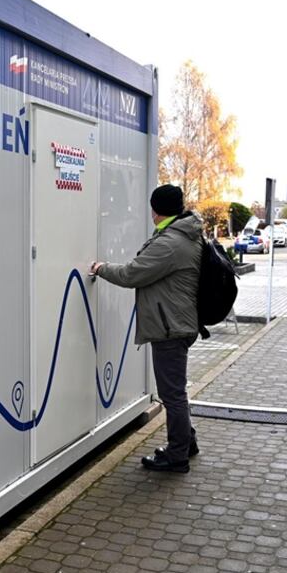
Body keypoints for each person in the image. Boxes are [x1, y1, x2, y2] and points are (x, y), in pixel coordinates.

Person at [89, 184, 202, 473]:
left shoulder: (170, 243)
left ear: (155, 209)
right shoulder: (181, 234)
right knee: (175, 390)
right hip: (177, 323)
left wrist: (100, 268)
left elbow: (131, 274)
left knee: (172, 393)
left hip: (170, 328)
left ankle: (177, 456)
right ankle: (186, 442)